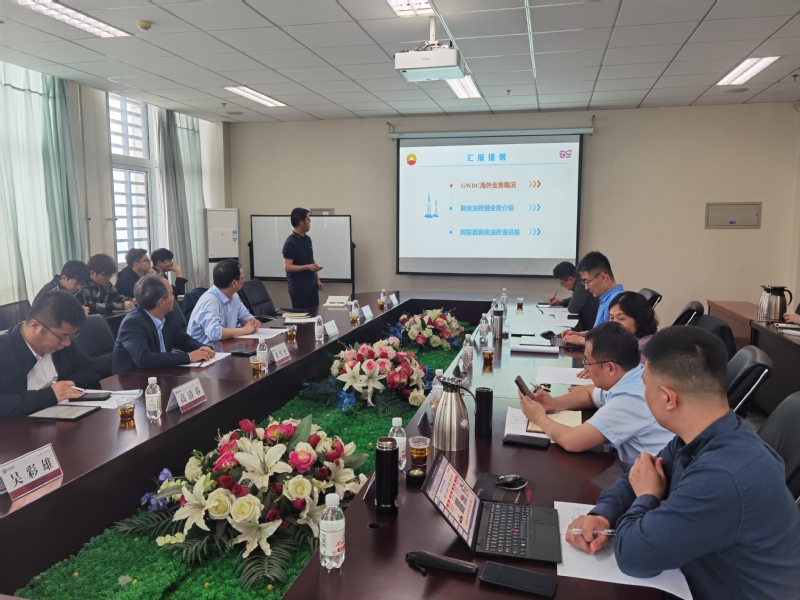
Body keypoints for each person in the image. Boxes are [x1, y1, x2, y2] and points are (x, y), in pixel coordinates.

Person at [566, 326, 800, 600]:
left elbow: (634, 557)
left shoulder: (723, 476)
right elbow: (641, 474)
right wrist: (602, 515)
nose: (643, 393)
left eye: (645, 386)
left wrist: (647, 497)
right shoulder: (705, 433)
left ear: (668, 398)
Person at [518, 322, 672, 471]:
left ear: (610, 368)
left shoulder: (630, 400)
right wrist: (554, 403)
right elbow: (590, 393)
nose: (586, 368)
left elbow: (572, 441)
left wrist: (539, 418)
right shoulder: (634, 374)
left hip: (651, 481)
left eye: (588, 362)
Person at [0, 292, 102, 418]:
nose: (67, 343)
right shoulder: (4, 350)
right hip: (18, 426)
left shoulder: (62, 345)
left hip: (61, 418)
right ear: (35, 326)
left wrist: (65, 388)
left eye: (72, 336)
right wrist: (49, 395)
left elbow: (92, 368)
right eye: (62, 336)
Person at [112, 275, 214, 374]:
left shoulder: (167, 315)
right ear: (161, 302)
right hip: (132, 379)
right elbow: (143, 358)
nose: (173, 298)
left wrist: (202, 348)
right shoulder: (132, 323)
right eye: (172, 294)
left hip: (161, 374)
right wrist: (189, 357)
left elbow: (183, 339)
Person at [187, 260, 261, 345]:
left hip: (225, 345)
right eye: (243, 277)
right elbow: (214, 333)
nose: (244, 279)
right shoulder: (210, 300)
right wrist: (244, 330)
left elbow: (245, 317)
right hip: (204, 349)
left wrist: (253, 322)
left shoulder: (233, 296)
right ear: (234, 283)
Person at [562, 251, 624, 347]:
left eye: (587, 282)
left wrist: (582, 341)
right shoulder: (605, 298)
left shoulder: (618, 302)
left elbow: (614, 342)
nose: (586, 288)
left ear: (603, 277)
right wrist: (580, 334)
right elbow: (601, 331)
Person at [282, 207, 323, 309]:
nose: (310, 222)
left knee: (315, 313)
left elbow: (311, 259)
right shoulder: (290, 242)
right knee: (302, 317)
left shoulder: (307, 239)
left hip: (312, 285)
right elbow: (287, 266)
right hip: (299, 288)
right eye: (308, 219)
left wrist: (317, 279)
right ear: (301, 223)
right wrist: (307, 267)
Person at [547, 261, 598, 332]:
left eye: (561, 283)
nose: (562, 286)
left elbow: (572, 309)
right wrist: (562, 301)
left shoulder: (581, 284)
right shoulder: (580, 280)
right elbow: (578, 298)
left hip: (592, 329)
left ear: (570, 279)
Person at [608, 291, 658, 363]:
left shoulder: (648, 348)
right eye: (611, 318)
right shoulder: (621, 340)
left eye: (621, 318)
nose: (614, 323)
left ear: (639, 319)